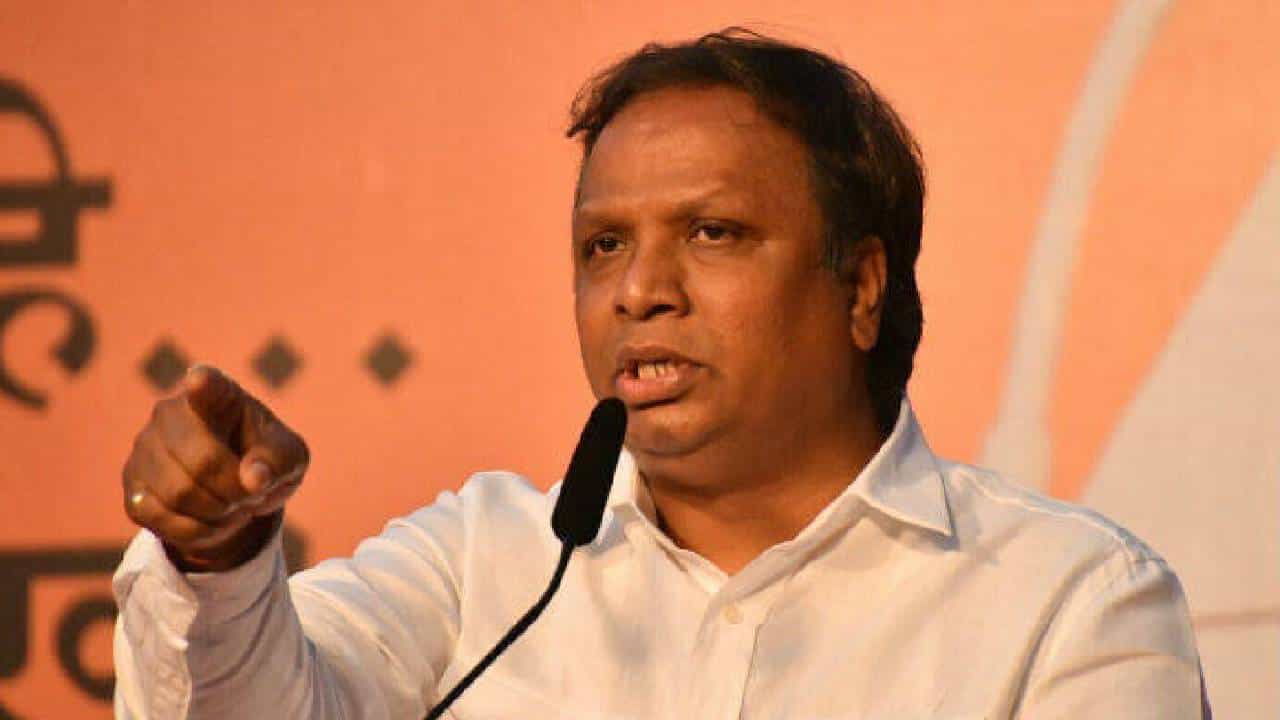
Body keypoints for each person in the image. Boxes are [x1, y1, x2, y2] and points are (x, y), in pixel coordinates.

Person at [113, 29, 1208, 719]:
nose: (637, 291)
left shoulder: (1068, 602)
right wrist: (221, 557)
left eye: (712, 233)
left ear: (861, 287)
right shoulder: (483, 565)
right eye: (603, 246)